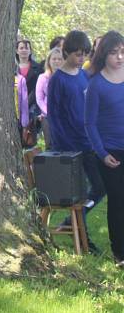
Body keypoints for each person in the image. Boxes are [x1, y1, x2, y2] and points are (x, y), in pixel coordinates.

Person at [47, 30, 105, 251]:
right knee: (80, 193)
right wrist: (65, 148)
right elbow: (55, 118)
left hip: (89, 141)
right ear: (66, 52)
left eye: (84, 54)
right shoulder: (57, 80)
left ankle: (71, 223)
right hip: (70, 147)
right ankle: (83, 239)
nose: (81, 59)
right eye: (77, 54)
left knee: (99, 188)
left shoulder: (83, 75)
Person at [84, 31, 124, 267]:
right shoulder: (96, 84)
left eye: (122, 52)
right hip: (110, 153)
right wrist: (102, 153)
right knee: (118, 201)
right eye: (113, 53)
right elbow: (89, 123)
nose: (119, 57)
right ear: (104, 55)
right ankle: (120, 253)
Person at [35, 47, 64, 149]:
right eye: (54, 59)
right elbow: (39, 99)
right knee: (51, 146)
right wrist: (49, 112)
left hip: (65, 116)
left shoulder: (66, 77)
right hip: (48, 117)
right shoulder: (43, 77)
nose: (57, 61)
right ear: (49, 61)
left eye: (59, 59)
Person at [15, 39, 43, 141]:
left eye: (27, 48)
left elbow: (39, 88)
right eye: (21, 48)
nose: (24, 50)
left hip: (33, 107)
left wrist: (29, 103)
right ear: (17, 51)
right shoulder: (12, 68)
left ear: (30, 51)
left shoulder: (38, 67)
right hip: (16, 106)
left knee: (30, 139)